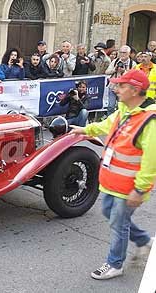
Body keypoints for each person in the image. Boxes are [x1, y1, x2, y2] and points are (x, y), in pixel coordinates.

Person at [70, 69, 155, 280]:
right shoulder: (124, 110)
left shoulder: (149, 122)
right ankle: (144, 240)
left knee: (118, 223)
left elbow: (151, 162)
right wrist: (83, 130)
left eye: (121, 86)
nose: (115, 89)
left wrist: (140, 190)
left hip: (129, 188)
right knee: (111, 214)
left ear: (135, 90)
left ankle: (114, 263)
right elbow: (105, 125)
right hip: (113, 183)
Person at [105, 45, 137, 114]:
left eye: (124, 52)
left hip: (124, 89)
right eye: (121, 52)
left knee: (121, 107)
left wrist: (124, 71)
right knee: (110, 106)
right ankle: (110, 122)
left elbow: (133, 76)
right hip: (113, 87)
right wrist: (115, 69)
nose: (122, 54)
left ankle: (120, 122)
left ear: (129, 53)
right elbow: (107, 72)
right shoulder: (115, 61)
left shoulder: (133, 64)